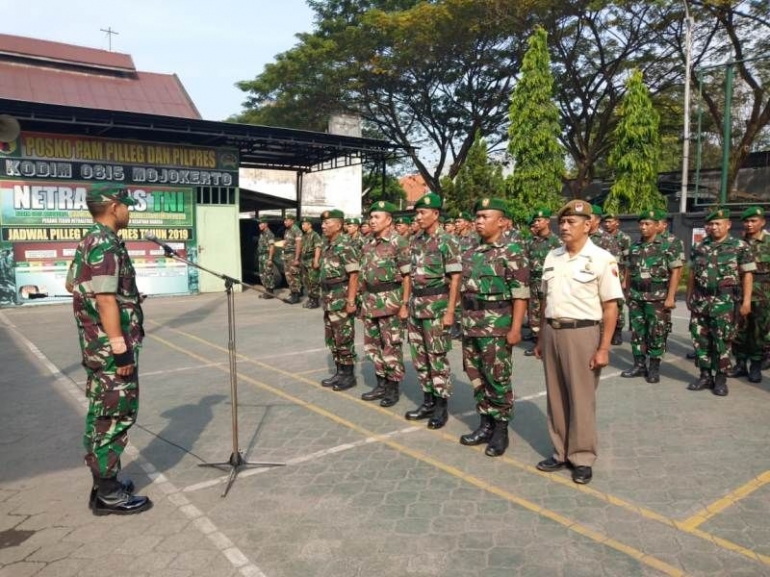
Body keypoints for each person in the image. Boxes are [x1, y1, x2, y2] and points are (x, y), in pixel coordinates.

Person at [65, 183, 152, 515]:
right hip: (110, 349)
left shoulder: (90, 240)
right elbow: (103, 298)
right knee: (116, 415)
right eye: (125, 205)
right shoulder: (106, 244)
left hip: (94, 346)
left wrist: (126, 300)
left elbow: (72, 283)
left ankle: (105, 484)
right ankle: (108, 494)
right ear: (113, 207)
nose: (128, 211)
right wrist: (120, 349)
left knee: (101, 413)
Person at [534, 200, 624, 485]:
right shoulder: (552, 256)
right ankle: (560, 452)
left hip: (583, 333)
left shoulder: (602, 259)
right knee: (556, 396)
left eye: (572, 222)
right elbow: (545, 300)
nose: (564, 226)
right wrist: (540, 336)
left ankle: (582, 457)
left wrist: (603, 348)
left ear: (589, 225)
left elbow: (611, 307)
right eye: (562, 222)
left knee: (581, 399)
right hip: (552, 331)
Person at [458, 198, 529, 457]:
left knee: (497, 378)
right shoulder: (471, 252)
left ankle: (501, 430)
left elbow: (520, 294)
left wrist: (516, 329)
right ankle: (484, 424)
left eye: (484, 216)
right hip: (471, 326)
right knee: (476, 376)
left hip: (497, 328)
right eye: (477, 216)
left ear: (501, 221)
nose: (478, 221)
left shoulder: (512, 252)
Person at [404, 192, 462, 429]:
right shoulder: (416, 240)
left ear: (435, 214)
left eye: (422, 212)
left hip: (437, 307)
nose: (418, 217)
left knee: (437, 358)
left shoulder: (447, 240)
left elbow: (455, 278)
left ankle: (441, 406)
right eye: (417, 212)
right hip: (416, 306)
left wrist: (450, 312)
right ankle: (427, 400)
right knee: (420, 358)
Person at [686, 208, 754, 396]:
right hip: (701, 301)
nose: (714, 227)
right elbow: (692, 273)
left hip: (725, 301)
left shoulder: (740, 247)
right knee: (700, 340)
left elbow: (747, 275)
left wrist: (747, 301)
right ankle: (705, 375)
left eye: (718, 224)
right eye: (711, 224)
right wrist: (689, 296)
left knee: (722, 341)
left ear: (728, 225)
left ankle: (721, 379)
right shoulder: (700, 247)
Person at [358, 201, 411, 407]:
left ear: (388, 220)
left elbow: (407, 276)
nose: (371, 221)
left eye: (376, 217)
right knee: (373, 346)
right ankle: (380, 383)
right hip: (370, 302)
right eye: (370, 218)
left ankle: (392, 387)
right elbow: (364, 274)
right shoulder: (368, 243)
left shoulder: (399, 242)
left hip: (391, 302)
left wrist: (404, 304)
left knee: (391, 346)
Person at [621, 210, 683, 383]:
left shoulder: (666, 247)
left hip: (658, 298)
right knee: (637, 332)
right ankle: (639, 365)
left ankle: (654, 368)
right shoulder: (634, 247)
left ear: (657, 226)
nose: (643, 227)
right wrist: (626, 292)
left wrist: (670, 297)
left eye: (647, 224)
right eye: (641, 224)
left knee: (656, 332)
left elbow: (676, 272)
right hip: (636, 297)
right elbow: (629, 271)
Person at [726, 207, 769, 383]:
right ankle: (740, 365)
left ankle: (756, 367)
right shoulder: (739, 244)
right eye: (746, 221)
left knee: (758, 333)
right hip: (740, 295)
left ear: (762, 222)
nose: (749, 224)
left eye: (753, 221)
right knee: (739, 331)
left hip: (763, 297)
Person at [319, 209, 361, 391]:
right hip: (329, 297)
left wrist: (351, 301)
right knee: (332, 337)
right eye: (323, 223)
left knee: (344, 337)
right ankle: (339, 371)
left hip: (341, 296)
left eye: (327, 223)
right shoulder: (329, 244)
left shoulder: (345, 244)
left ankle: (348, 375)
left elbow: (354, 275)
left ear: (339, 225)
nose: (323, 226)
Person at [523, 208, 561, 357]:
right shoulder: (531, 241)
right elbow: (525, 261)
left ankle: (550, 343)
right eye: (535, 221)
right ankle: (537, 342)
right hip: (533, 281)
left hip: (550, 282)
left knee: (549, 311)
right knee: (534, 313)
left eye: (539, 220)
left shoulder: (556, 241)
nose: (536, 223)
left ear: (547, 221)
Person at [602, 212, 631, 343]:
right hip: (603, 275)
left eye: (610, 221)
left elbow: (628, 261)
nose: (607, 224)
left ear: (617, 222)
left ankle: (618, 330)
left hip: (617, 276)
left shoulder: (624, 238)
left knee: (618, 304)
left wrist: (625, 280)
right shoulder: (600, 237)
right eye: (605, 222)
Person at [300, 217, 322, 309]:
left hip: (312, 260)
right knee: (307, 281)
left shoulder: (315, 235)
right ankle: (311, 298)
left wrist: (316, 260)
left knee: (314, 281)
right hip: (305, 261)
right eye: (302, 224)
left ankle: (315, 301)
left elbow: (318, 248)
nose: (302, 226)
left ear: (310, 225)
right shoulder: (305, 236)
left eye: (304, 224)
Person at [282, 213, 303, 304]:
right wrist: (285, 244)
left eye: (287, 220)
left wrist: (297, 258)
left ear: (292, 221)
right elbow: (288, 241)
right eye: (285, 220)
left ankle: (296, 296)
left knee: (294, 275)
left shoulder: (296, 230)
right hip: (287, 255)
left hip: (293, 255)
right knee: (288, 275)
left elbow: (299, 244)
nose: (285, 222)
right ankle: (293, 292)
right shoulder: (288, 230)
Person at [256, 217, 276, 299]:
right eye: (259, 224)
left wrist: (270, 259)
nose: (259, 225)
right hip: (261, 256)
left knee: (268, 274)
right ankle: (266, 291)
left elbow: (272, 247)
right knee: (262, 274)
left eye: (261, 223)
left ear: (266, 224)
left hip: (267, 256)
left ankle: (270, 292)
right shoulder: (262, 234)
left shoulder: (269, 234)